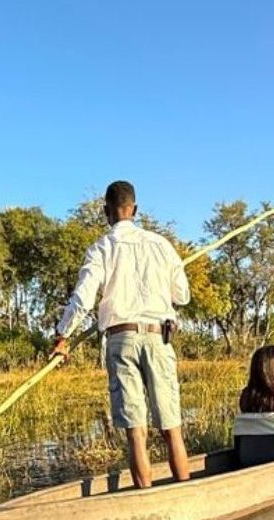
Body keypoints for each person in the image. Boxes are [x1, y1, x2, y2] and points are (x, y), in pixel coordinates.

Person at [51, 180, 190, 488]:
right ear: (135, 210)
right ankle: (186, 492)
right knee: (171, 427)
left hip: (121, 339)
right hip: (158, 337)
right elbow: (183, 296)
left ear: (106, 212)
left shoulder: (101, 248)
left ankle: (145, 498)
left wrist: (62, 334)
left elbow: (84, 298)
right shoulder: (161, 245)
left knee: (135, 431)